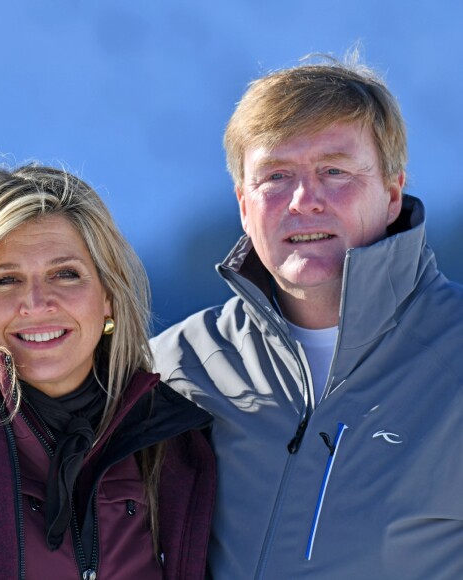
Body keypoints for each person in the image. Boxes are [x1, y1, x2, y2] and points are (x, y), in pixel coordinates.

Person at [152, 54, 463, 579]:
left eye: (334, 171)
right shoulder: (177, 367)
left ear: (392, 193)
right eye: (276, 176)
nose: (304, 200)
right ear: (244, 205)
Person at [0, 164, 215, 579]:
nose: (37, 303)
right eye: (6, 280)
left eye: (65, 274)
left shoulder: (174, 447)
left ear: (108, 296)